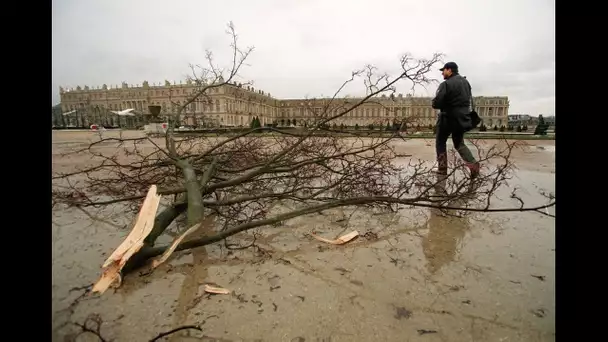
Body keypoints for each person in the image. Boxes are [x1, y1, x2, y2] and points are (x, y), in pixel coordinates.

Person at [431, 62, 480, 178]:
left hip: (447, 118)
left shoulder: (445, 84)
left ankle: (442, 169)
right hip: (462, 118)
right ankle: (473, 164)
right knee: (459, 143)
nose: (442, 73)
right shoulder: (466, 83)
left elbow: (437, 103)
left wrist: (434, 102)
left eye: (443, 70)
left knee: (440, 142)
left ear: (449, 70)